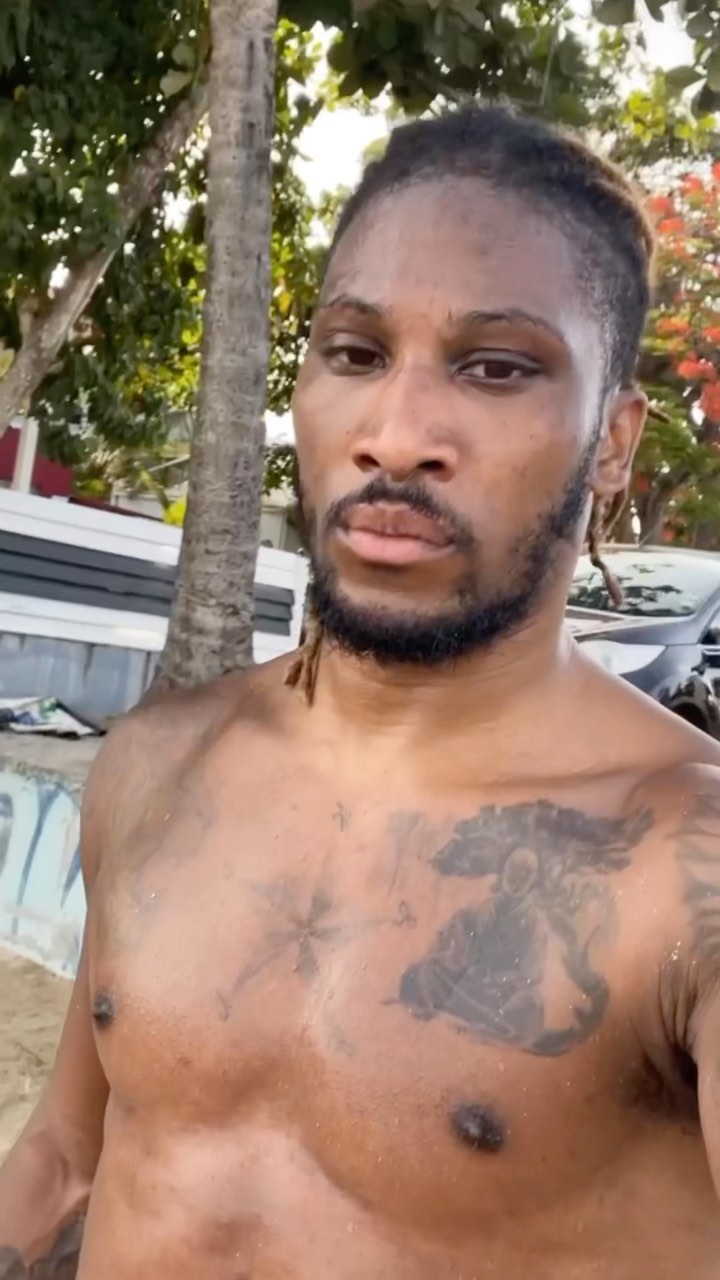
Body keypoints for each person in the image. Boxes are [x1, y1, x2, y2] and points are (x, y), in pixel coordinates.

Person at [1, 104, 720, 1280]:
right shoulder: (159, 762)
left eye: (497, 367)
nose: (396, 434)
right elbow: (67, 1161)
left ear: (613, 441)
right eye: (355, 352)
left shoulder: (679, 866)